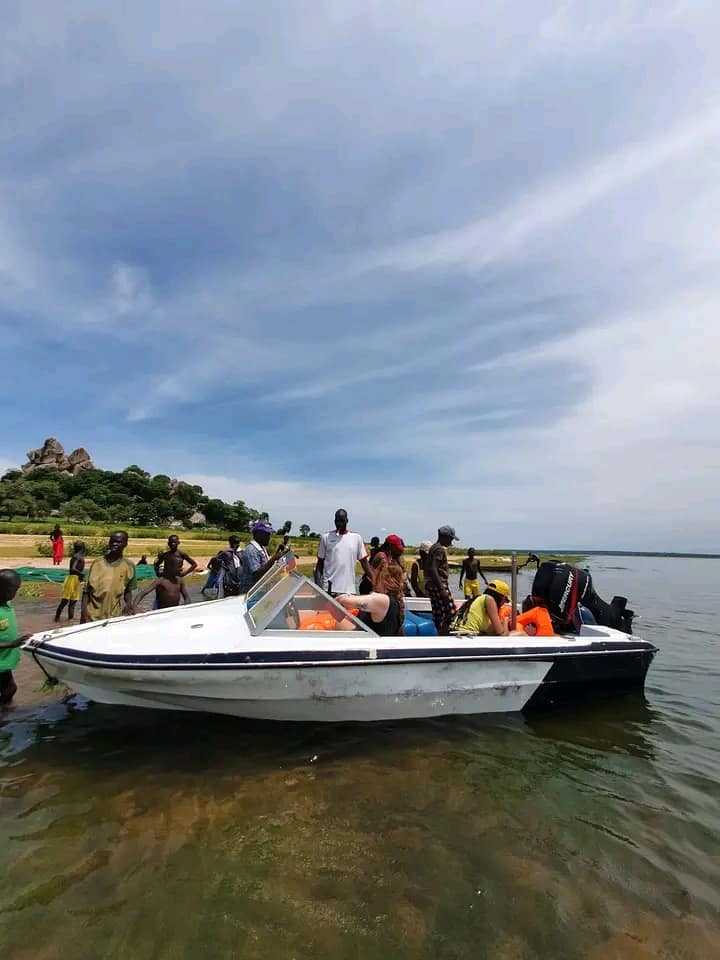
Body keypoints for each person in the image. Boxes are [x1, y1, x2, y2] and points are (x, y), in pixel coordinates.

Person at [81, 531, 136, 623]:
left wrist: (129, 604)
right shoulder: (97, 563)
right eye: (112, 541)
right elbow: (86, 591)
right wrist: (84, 612)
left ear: (125, 544)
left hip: (114, 617)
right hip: (92, 615)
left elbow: (128, 590)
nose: (114, 544)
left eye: (118, 542)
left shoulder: (129, 566)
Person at [336, 563, 405, 637]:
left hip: (372, 643)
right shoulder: (391, 600)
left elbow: (346, 601)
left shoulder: (382, 600)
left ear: (382, 579)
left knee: (336, 621)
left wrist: (341, 597)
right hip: (370, 640)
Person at [316, 509, 373, 596]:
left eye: (342, 521)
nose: (339, 524)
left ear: (347, 520)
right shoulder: (326, 537)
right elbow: (320, 564)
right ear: (334, 521)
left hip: (348, 590)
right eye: (337, 521)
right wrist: (318, 587)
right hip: (329, 590)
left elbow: (364, 563)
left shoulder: (356, 538)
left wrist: (375, 582)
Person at [0, 570, 29, 705]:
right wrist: (12, 644)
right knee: (10, 688)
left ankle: (6, 710)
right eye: (13, 590)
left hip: (4, 660)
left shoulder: (7, 604)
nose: (15, 593)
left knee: (9, 689)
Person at [425, 525, 459, 636]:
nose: (451, 542)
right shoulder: (439, 549)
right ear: (445, 537)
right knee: (451, 613)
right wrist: (442, 589)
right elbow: (433, 568)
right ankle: (444, 635)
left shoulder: (433, 547)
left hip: (432, 585)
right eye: (451, 539)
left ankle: (440, 634)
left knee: (438, 614)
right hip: (439, 585)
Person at [238, 521, 286, 593]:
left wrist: (278, 553)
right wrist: (273, 559)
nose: (269, 537)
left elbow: (265, 565)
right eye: (267, 534)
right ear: (258, 534)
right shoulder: (251, 550)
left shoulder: (261, 548)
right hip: (251, 592)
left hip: (259, 591)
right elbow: (257, 574)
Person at [54, 540, 86, 622]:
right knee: (65, 601)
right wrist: (82, 574)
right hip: (71, 580)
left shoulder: (78, 556)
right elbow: (73, 569)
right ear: (82, 548)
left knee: (73, 601)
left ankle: (70, 620)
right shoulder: (77, 556)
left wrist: (80, 577)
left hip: (76, 580)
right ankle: (56, 618)